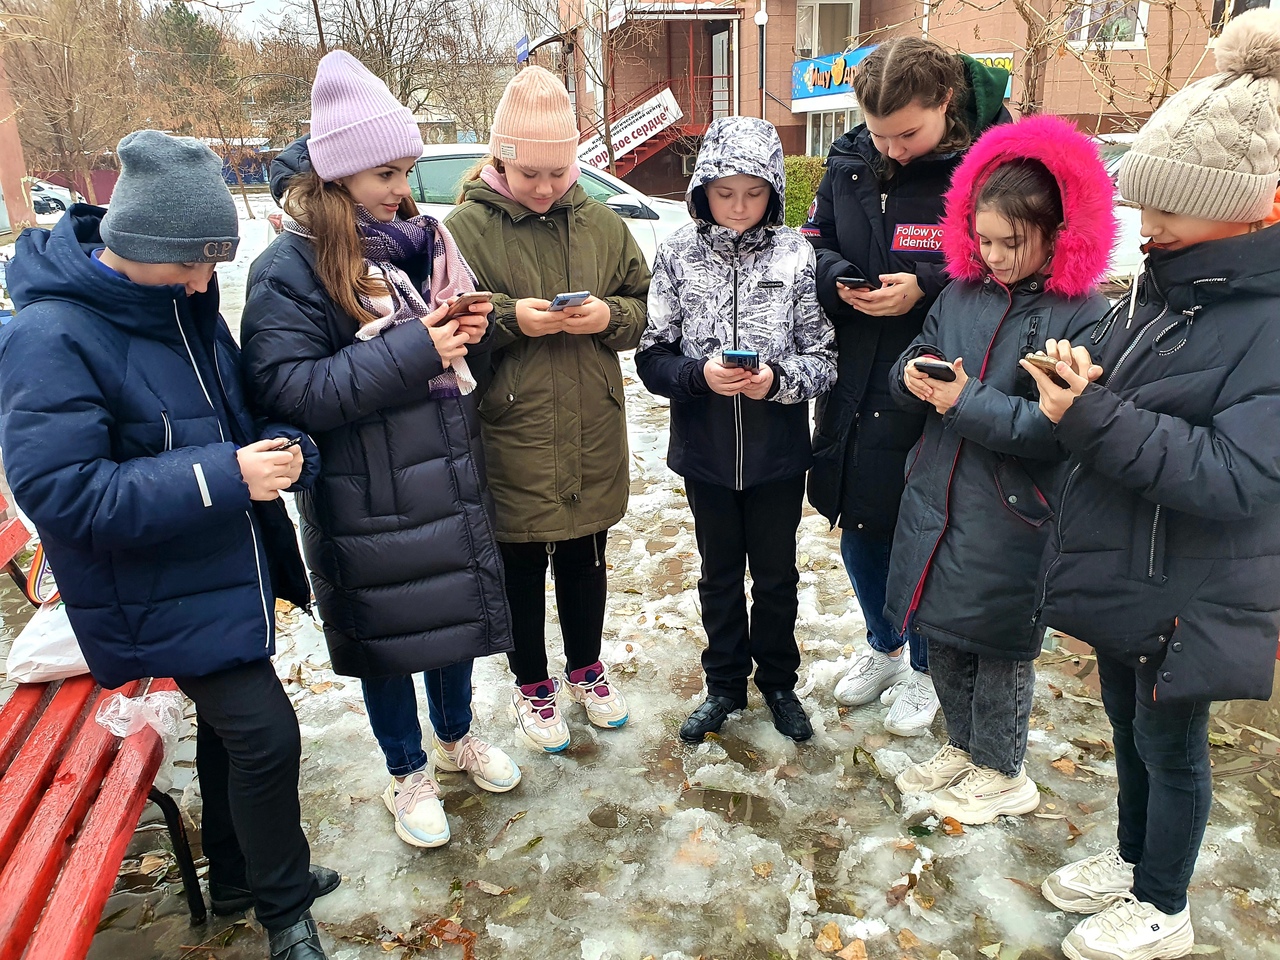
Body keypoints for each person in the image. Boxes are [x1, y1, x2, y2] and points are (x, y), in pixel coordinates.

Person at [0, 131, 336, 960]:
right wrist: (224, 476)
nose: (202, 279)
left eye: (212, 261)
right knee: (264, 735)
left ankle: (237, 878)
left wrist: (284, 448)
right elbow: (63, 494)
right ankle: (285, 915)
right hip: (148, 583)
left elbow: (234, 417)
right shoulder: (50, 336)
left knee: (233, 734)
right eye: (191, 262)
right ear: (139, 244)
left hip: (213, 565)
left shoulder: (181, 306)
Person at [1024, 12, 1280, 959]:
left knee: (1172, 750)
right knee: (1130, 730)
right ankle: (1135, 861)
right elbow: (1136, 399)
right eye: (1145, 202)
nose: (1149, 222)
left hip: (1199, 587)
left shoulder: (1265, 319)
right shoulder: (1169, 285)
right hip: (1142, 574)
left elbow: (1241, 473)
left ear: (1253, 208)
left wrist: (1092, 415)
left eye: (1171, 205)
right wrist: (1076, 375)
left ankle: (1164, 902)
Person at [240, 51, 519, 852]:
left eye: (407, 169)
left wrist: (472, 334)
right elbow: (290, 390)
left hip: (447, 472)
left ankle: (458, 736)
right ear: (337, 178)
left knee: (453, 623)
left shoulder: (425, 245)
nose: (405, 188)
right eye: (386, 173)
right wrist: (419, 351)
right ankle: (407, 770)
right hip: (367, 496)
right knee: (393, 640)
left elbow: (456, 369)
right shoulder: (289, 268)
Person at [883, 116, 1114, 823]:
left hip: (1015, 510)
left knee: (1000, 651)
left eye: (1011, 243)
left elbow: (1056, 430)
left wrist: (963, 400)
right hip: (939, 494)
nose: (995, 255)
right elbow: (918, 352)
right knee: (945, 636)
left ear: (1057, 232)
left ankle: (1003, 766)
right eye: (982, 240)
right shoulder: (960, 293)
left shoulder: (1084, 316)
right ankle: (963, 747)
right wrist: (910, 379)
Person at [802, 38, 1012, 736]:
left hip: (937, 376)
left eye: (907, 133)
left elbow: (1010, 264)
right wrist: (837, 277)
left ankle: (926, 664)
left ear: (945, 103)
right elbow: (815, 235)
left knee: (926, 529)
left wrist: (923, 288)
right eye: (878, 132)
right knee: (857, 518)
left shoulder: (991, 168)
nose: (890, 149)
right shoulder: (850, 159)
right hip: (854, 368)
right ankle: (883, 644)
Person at [444, 66, 651, 754]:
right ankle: (531, 682)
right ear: (499, 158)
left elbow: (643, 308)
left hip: (591, 427)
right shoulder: (464, 229)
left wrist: (606, 316)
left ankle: (586, 667)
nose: (544, 188)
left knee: (586, 557)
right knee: (522, 569)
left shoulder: (601, 222)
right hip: (511, 431)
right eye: (529, 172)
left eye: (559, 172)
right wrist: (509, 320)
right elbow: (445, 324)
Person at [635, 117, 836, 743]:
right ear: (702, 190)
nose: (739, 206)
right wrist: (698, 376)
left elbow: (824, 358)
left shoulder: (796, 256)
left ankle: (778, 680)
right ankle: (723, 682)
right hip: (706, 453)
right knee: (718, 574)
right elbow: (651, 355)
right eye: (725, 193)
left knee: (776, 577)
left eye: (754, 192)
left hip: (777, 453)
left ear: (774, 191)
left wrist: (776, 378)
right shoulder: (677, 252)